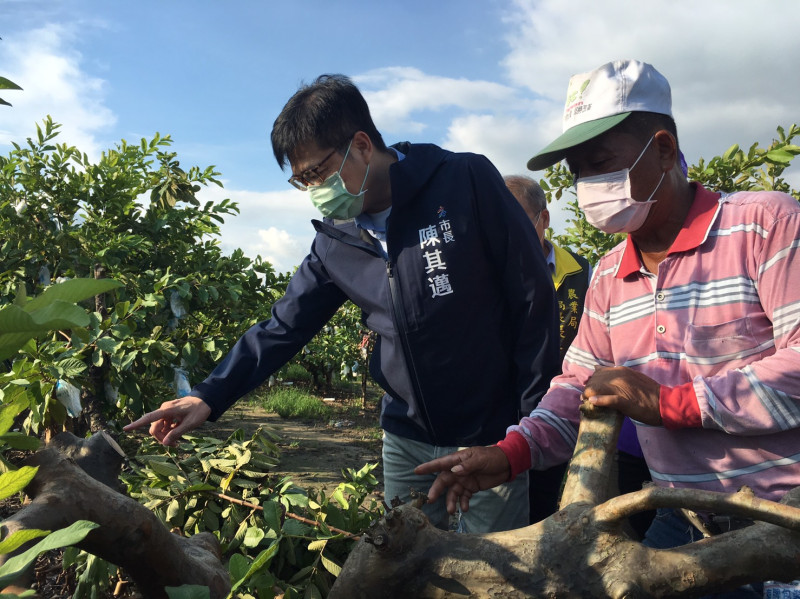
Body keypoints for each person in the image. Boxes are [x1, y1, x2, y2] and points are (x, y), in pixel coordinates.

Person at [416, 59, 800, 596]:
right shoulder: (608, 278)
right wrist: (510, 455)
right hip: (681, 523)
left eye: (600, 163)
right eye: (578, 172)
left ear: (663, 149)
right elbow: (576, 388)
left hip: (784, 525)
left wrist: (672, 404)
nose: (588, 186)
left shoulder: (765, 225)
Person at [125, 74, 560, 534]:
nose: (314, 190)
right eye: (301, 181)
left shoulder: (464, 182)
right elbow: (282, 327)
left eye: (318, 173)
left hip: (490, 435)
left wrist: (529, 430)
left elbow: (532, 301)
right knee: (408, 568)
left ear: (361, 144)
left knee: (491, 572)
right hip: (406, 440)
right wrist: (209, 394)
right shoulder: (336, 242)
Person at [505, 174, 654, 535]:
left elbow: (593, 362)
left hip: (571, 411)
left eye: (518, 222)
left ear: (543, 219)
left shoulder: (585, 272)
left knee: (554, 508)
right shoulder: (490, 273)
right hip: (521, 417)